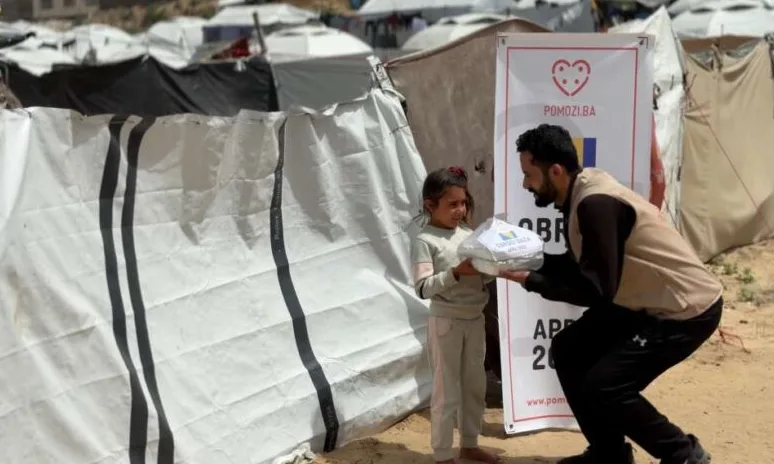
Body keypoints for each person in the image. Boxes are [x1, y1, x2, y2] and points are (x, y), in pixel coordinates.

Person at [500, 124, 722, 464]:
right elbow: (583, 267)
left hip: (684, 308)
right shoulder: (578, 194)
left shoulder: (595, 204)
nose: (525, 184)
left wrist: (529, 279)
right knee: (569, 349)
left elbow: (595, 289)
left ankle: (684, 454)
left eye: (529, 174)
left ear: (555, 171)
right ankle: (609, 455)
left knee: (606, 384)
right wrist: (523, 258)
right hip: (642, 299)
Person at [411, 166, 503, 464]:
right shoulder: (425, 240)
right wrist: (454, 273)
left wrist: (493, 267)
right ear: (430, 205)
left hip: (474, 319)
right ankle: (442, 453)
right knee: (446, 389)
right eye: (452, 204)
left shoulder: (469, 234)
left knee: (474, 386)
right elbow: (423, 288)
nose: (460, 210)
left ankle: (469, 443)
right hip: (446, 322)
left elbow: (479, 278)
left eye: (463, 203)